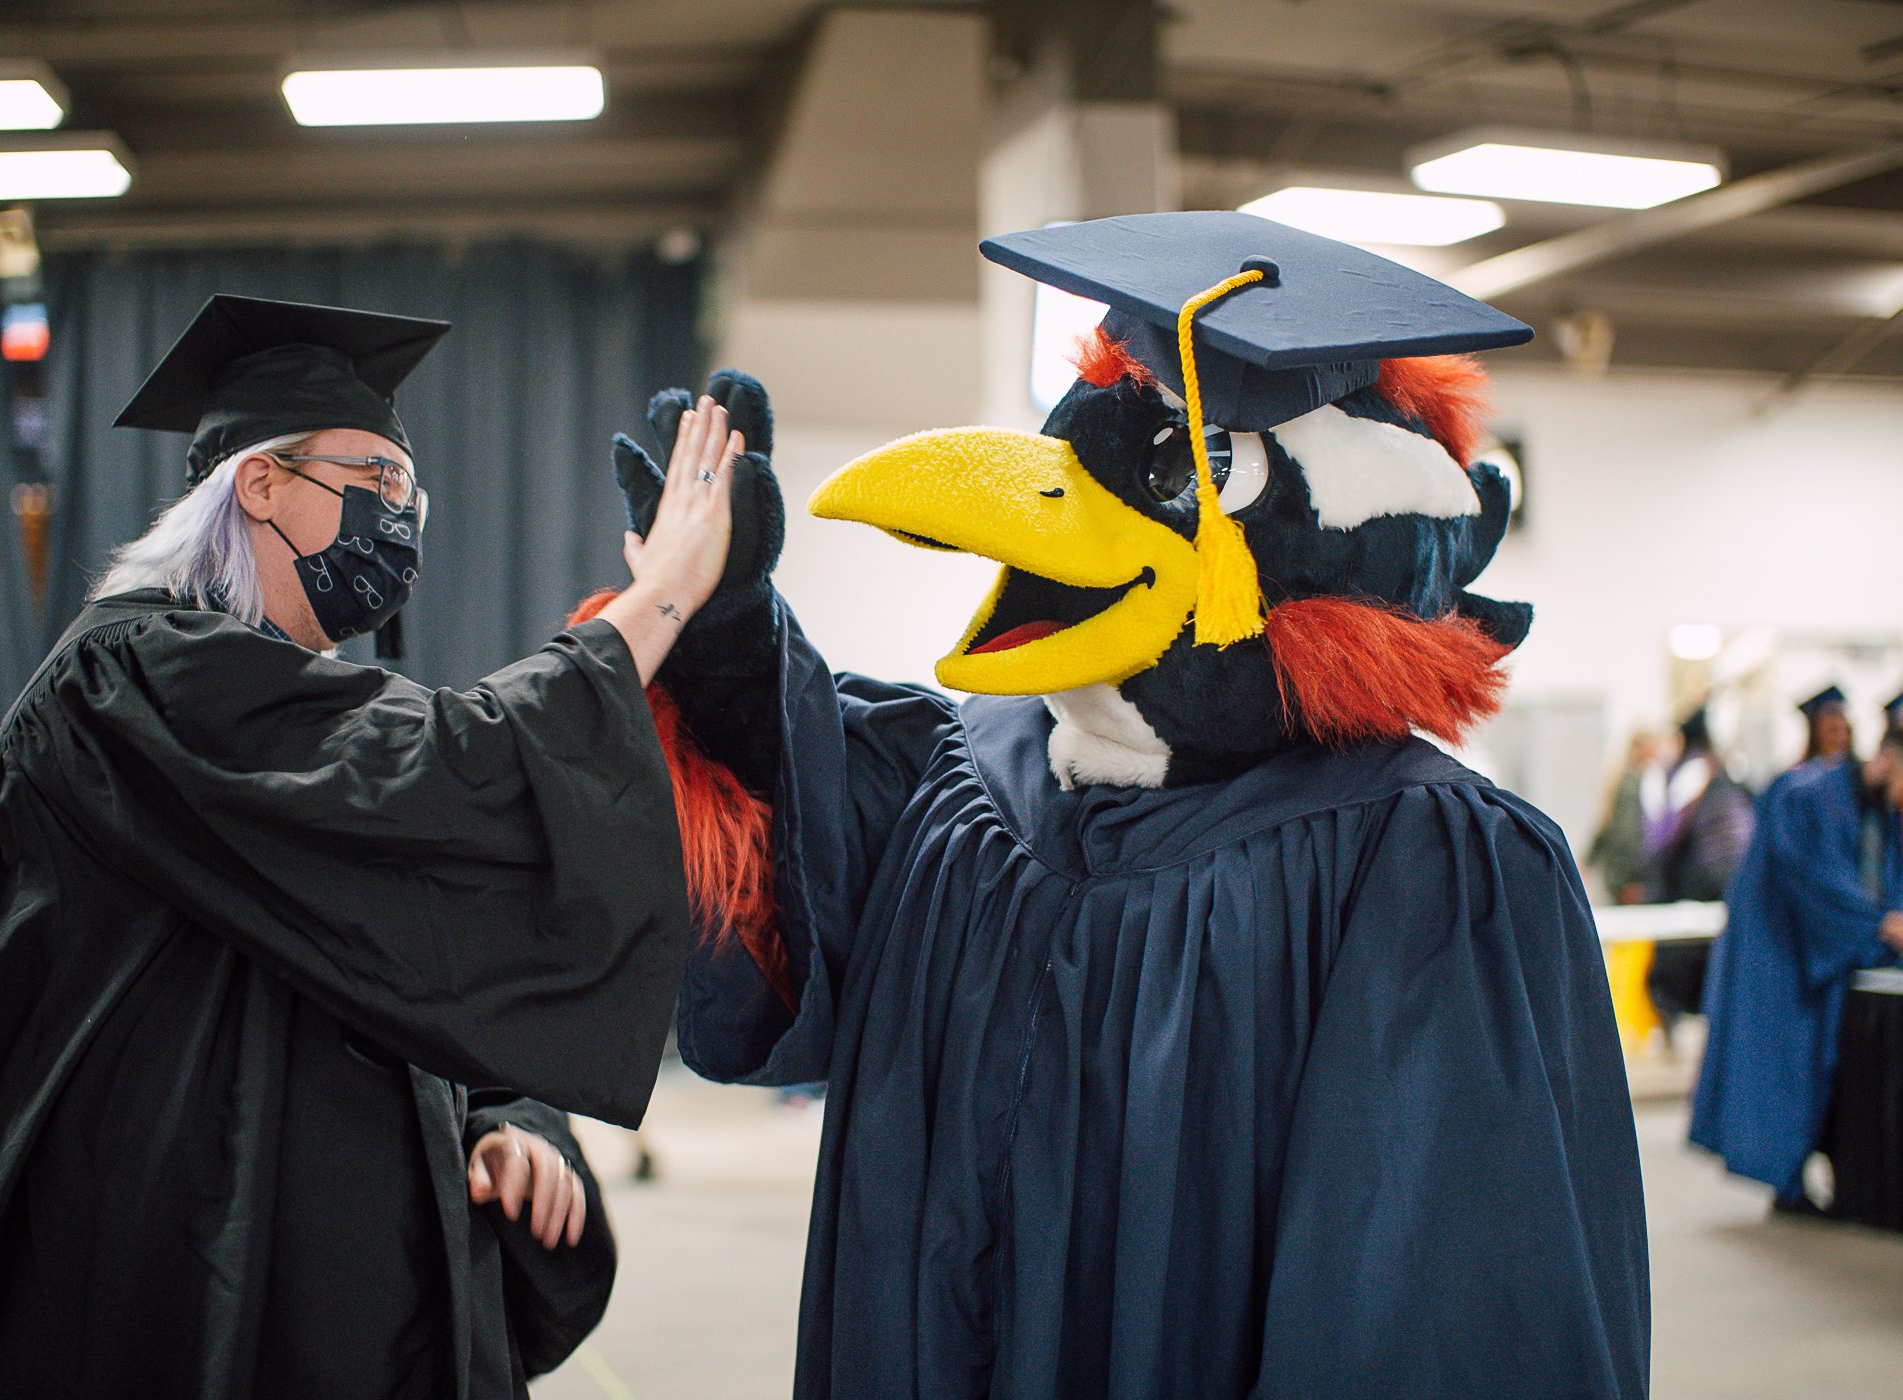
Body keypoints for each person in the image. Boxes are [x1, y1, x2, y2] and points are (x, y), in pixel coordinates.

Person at [612, 214, 1645, 1397]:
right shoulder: (976, 776)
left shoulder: (1419, 859)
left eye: (1170, 469)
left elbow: (1445, 1302)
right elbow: (798, 904)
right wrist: (728, 648)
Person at [0, 295, 742, 1400]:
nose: (401, 519)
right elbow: (443, 775)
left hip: (340, 1264)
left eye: (411, 494)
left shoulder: (278, 700)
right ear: (259, 482)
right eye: (374, 483)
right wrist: (661, 596)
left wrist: (508, 1114)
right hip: (173, 1253)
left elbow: (402, 932)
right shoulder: (134, 681)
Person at [1689, 731, 1903, 1208]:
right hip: (1779, 953)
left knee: (1823, 1066)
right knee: (1783, 1070)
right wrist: (1879, 924)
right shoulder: (1807, 794)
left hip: (1823, 952)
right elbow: (1811, 878)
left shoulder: (1873, 804)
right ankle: (1787, 1184)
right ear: (1889, 758)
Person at [1642, 705, 1754, 1037]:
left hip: (1700, 886)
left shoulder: (1689, 775)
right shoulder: (1702, 775)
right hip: (1706, 887)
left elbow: (1660, 842)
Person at [1589, 729, 1668, 905]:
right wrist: (1631, 878)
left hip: (1619, 873)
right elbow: (1626, 832)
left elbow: (1605, 826)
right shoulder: (1634, 784)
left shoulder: (1624, 780)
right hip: (1628, 877)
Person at [1796, 684, 1854, 767]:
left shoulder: (1860, 774)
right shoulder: (1796, 776)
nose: (1842, 737)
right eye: (1833, 730)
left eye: (1846, 730)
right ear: (1815, 733)